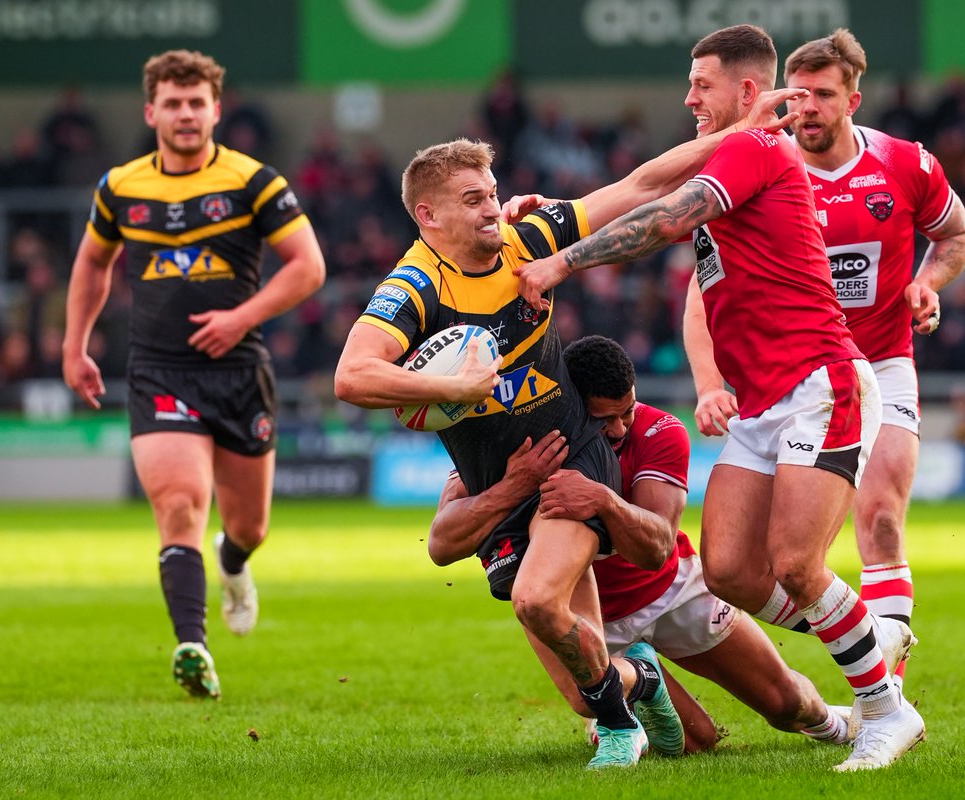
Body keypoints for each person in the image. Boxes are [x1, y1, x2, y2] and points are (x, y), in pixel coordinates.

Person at [332, 94, 798, 770]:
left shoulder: (529, 240)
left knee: (536, 598)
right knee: (581, 671)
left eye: (492, 193)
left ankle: (619, 734)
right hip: (500, 486)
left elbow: (639, 184)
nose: (494, 207)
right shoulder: (413, 289)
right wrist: (450, 387)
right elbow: (352, 375)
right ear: (428, 215)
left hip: (571, 464)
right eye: (473, 200)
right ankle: (634, 692)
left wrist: (738, 133)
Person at [517, 24, 923, 771]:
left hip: (820, 381)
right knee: (732, 570)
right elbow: (644, 196)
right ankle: (868, 629)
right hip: (764, 399)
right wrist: (555, 212)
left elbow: (665, 216)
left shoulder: (755, 148)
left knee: (797, 564)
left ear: (743, 90)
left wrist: (560, 263)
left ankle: (884, 711)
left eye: (700, 84)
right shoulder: (740, 154)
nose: (687, 97)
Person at [686, 29, 965, 692]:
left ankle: (886, 696)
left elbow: (956, 235)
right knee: (751, 565)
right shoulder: (760, 165)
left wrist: (929, 282)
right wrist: (707, 382)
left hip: (878, 360)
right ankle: (870, 641)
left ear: (853, 100)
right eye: (799, 93)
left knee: (878, 516)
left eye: (823, 94)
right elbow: (702, 291)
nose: (808, 107)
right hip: (789, 377)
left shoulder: (906, 165)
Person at [429, 334, 853, 755]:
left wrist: (604, 500)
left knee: (785, 704)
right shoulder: (524, 443)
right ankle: (639, 677)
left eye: (626, 411)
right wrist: (513, 486)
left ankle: (839, 726)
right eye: (603, 419)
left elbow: (656, 550)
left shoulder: (660, 431)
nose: (618, 429)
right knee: (692, 741)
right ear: (570, 405)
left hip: (670, 591)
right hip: (590, 619)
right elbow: (441, 544)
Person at [62, 50, 326, 699]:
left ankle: (232, 562)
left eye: (196, 102)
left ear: (216, 108)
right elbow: (93, 265)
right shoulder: (120, 187)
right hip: (160, 370)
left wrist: (242, 318)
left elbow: (307, 266)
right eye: (172, 103)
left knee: (250, 526)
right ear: (150, 111)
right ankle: (193, 647)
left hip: (238, 370)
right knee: (178, 504)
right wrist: (75, 345)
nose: (185, 114)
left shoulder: (252, 181)